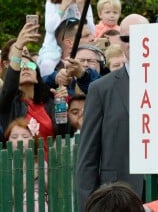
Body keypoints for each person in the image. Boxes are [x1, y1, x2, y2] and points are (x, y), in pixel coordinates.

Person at [76, 14, 158, 211]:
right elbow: (87, 156)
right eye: (126, 38)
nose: (132, 43)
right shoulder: (101, 89)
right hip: (120, 200)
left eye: (139, 36)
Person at [0, 22, 70, 161]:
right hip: (19, 170)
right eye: (21, 65)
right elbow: (9, 88)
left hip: (49, 169)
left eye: (30, 65)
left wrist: (61, 105)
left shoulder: (48, 103)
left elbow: (62, 133)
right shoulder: (8, 103)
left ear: (38, 76)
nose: (25, 68)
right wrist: (19, 46)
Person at [38, 0, 95, 77]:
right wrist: (62, 8)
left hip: (78, 44)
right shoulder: (53, 2)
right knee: (47, 64)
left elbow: (91, 31)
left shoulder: (85, 3)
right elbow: (49, 28)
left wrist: (82, 8)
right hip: (54, 45)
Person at [42, 19, 100, 96]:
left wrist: (83, 75)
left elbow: (104, 88)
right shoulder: (50, 67)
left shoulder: (99, 61)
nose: (92, 38)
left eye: (91, 34)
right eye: (86, 35)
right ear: (69, 42)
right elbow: (36, 86)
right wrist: (55, 78)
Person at [5, 117, 48, 211]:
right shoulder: (5, 164)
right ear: (8, 140)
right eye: (14, 137)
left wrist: (42, 173)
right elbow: (8, 196)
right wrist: (31, 174)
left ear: (33, 140)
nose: (19, 140)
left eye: (25, 136)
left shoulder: (40, 162)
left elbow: (52, 190)